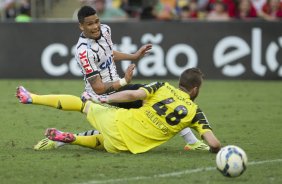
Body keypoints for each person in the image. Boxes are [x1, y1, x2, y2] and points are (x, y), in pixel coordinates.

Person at [16, 5, 208, 152]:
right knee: (157, 99)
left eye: (97, 21)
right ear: (81, 26)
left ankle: (58, 140)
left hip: (117, 87)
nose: (95, 26)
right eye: (90, 24)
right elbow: (99, 88)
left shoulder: (106, 30)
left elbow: (109, 54)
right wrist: (124, 82)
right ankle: (192, 142)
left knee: (115, 133)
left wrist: (134, 56)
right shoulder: (83, 52)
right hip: (101, 94)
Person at [42, 68, 221, 154]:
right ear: (195, 90)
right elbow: (214, 144)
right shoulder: (196, 112)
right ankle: (74, 139)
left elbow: (133, 94)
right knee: (104, 142)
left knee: (84, 105)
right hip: (126, 147)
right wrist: (215, 151)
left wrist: (103, 99)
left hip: (116, 118)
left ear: (179, 82)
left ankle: (33, 98)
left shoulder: (162, 86)